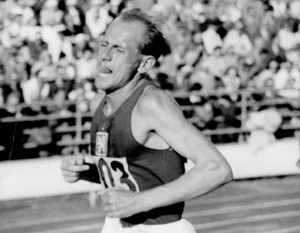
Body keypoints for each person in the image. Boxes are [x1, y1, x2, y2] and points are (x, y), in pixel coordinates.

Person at [60, 8, 233, 233]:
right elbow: (133, 176)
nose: (105, 55)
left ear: (144, 64)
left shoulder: (151, 104)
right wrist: (86, 172)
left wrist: (139, 202)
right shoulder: (99, 103)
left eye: (119, 49)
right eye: (104, 44)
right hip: (116, 225)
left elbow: (217, 169)